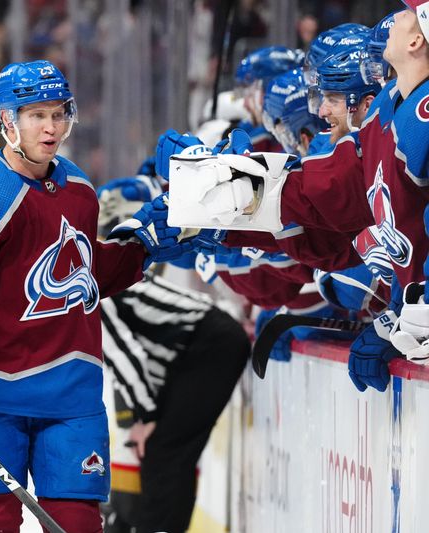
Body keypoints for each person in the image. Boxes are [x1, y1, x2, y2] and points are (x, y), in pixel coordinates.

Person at [0, 60, 166, 532]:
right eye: (36, 115)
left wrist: (145, 244)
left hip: (72, 396)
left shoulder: (80, 188)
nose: (50, 127)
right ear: (8, 120)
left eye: (58, 113)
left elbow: (82, 275)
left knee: (77, 523)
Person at [160, 5, 429, 393]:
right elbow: (317, 202)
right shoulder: (384, 118)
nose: (320, 110)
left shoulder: (416, 123)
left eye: (409, 13)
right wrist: (212, 191)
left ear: (418, 38)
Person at [95, 176, 250, 533]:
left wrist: (146, 415)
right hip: (204, 344)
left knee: (167, 452)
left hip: (214, 343)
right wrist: (144, 418)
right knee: (166, 452)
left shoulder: (92, 289)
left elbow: (126, 356)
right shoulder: (95, 278)